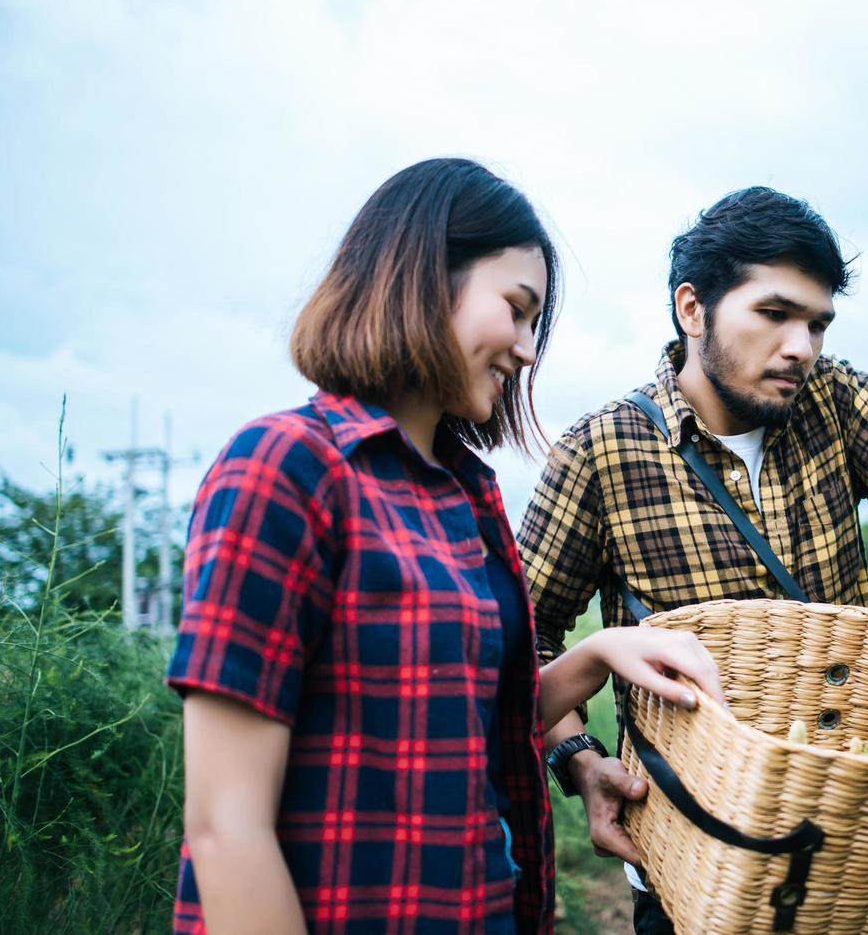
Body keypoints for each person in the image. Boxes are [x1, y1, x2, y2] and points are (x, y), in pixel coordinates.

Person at [166, 158, 723, 934]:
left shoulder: (466, 494)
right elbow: (226, 828)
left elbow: (466, 716)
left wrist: (600, 656)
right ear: (421, 278)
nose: (529, 351)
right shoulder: (287, 466)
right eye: (517, 309)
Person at [518, 186, 868, 932]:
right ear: (692, 309)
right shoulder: (603, 449)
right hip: (695, 857)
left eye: (817, 324)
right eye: (773, 314)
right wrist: (579, 760)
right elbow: (527, 640)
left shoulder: (833, 404)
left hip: (858, 851)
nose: (801, 347)